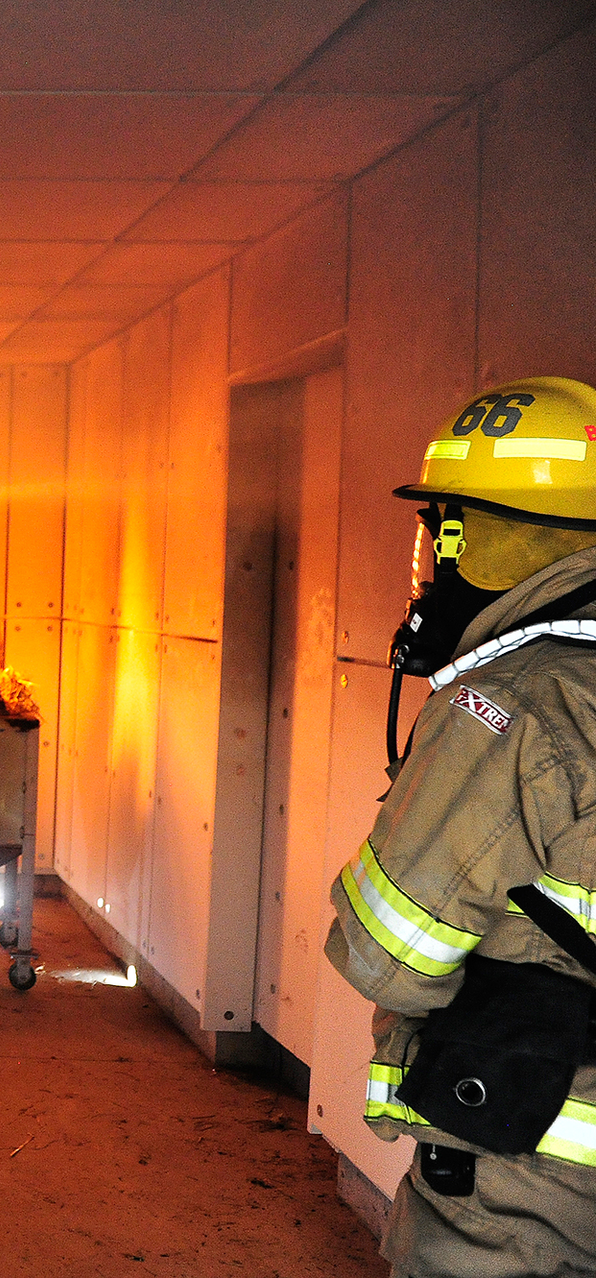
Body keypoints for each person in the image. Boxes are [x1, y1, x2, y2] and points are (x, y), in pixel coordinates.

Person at [326, 377, 596, 1277]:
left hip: (534, 1159)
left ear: (475, 540)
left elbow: (384, 953)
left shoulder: (512, 700)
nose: (431, 560)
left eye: (444, 531)